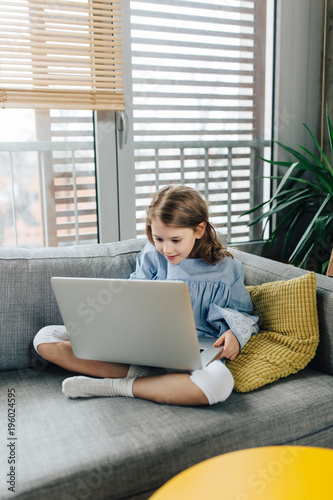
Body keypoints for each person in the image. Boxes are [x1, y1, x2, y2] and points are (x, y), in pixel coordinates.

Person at [34, 185, 259, 406]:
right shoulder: (152, 255)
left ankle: (115, 386)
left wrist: (235, 336)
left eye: (175, 240)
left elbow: (245, 315)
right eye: (158, 238)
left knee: (220, 384)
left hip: (195, 352)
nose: (166, 249)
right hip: (146, 343)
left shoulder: (228, 268)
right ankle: (153, 376)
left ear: (199, 230)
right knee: (45, 338)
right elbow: (133, 296)